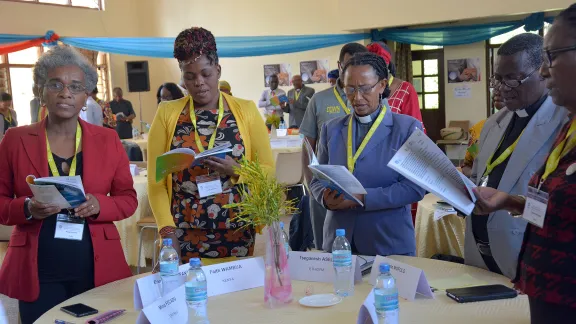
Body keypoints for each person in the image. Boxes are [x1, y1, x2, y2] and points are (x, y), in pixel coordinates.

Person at [0, 45, 137, 324]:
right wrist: (27, 208)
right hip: (37, 269)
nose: (66, 93)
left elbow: (128, 199)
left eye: (76, 86)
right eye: (56, 84)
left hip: (97, 264)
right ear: (41, 90)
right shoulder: (15, 139)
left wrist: (101, 204)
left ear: (86, 95)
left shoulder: (108, 139)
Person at [473, 5, 576, 322]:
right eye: (498, 79)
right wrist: (510, 201)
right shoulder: (569, 131)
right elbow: (558, 209)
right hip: (540, 292)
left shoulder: (558, 120)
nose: (546, 72)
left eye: (553, 56)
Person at [147, 27, 274, 264]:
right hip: (183, 229)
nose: (199, 83)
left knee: (234, 297)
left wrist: (237, 170)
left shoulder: (245, 111)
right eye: (189, 76)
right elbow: (156, 181)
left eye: (206, 74)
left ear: (218, 70)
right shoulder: (167, 113)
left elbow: (268, 168)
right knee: (189, 296)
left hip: (236, 227)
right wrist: (167, 231)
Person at [465, 33, 568, 280]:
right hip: (478, 257)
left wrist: (509, 202)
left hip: (526, 257)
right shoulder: (492, 124)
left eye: (512, 79)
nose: (501, 89)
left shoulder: (562, 122)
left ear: (542, 73)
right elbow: (480, 176)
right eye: (498, 79)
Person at [310, 52, 425, 255]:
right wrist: (324, 198)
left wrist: (363, 198)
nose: (357, 97)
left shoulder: (406, 128)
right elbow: (317, 178)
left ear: (381, 85)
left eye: (365, 88)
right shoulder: (332, 129)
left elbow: (415, 188)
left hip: (387, 241)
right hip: (339, 241)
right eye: (350, 89)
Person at [300, 42, 368, 250]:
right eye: (348, 65)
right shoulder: (319, 100)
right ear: (339, 65)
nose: (353, 71)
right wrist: (311, 184)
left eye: (360, 65)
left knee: (365, 246)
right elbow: (307, 144)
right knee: (327, 247)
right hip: (326, 187)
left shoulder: (371, 99)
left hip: (363, 187)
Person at [367, 42, 425, 128]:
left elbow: (416, 130)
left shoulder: (406, 89)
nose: (372, 71)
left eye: (377, 66)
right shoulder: (361, 91)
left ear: (387, 65)